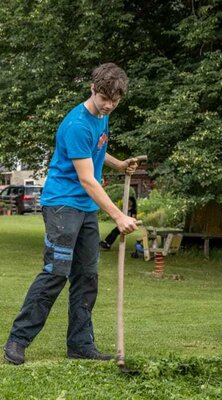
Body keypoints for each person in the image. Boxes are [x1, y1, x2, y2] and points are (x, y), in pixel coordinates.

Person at [3, 63, 138, 365]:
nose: (108, 106)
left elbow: (94, 151)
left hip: (86, 208)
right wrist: (118, 216)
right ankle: (18, 340)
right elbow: (88, 179)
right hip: (63, 204)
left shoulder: (102, 117)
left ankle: (79, 344)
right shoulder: (76, 123)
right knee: (56, 273)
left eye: (114, 102)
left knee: (87, 277)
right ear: (93, 89)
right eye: (104, 99)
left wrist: (117, 164)